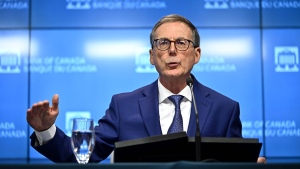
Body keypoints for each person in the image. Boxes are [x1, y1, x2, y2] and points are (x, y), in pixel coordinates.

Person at [27, 14, 266, 163]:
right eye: (163, 43)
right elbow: (82, 156)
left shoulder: (225, 108)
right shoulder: (124, 105)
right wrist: (47, 131)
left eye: (182, 43)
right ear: (152, 56)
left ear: (197, 54)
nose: (172, 50)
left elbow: (234, 162)